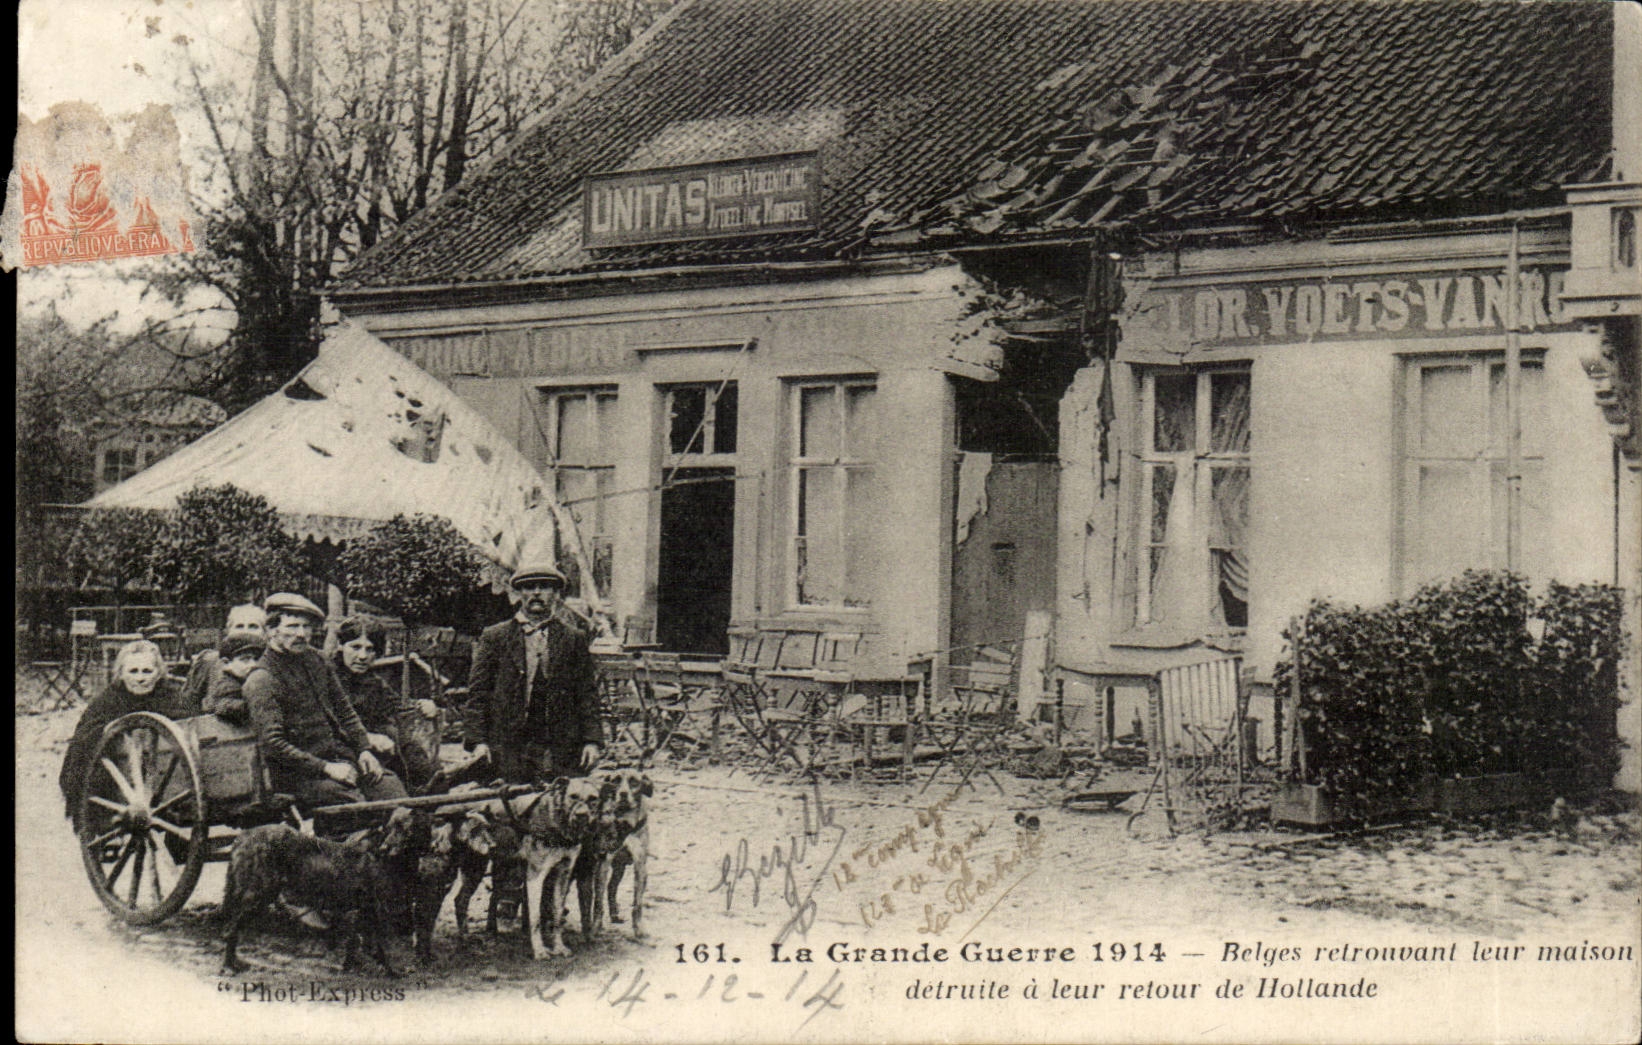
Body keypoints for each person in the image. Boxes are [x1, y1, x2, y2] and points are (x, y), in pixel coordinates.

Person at [242, 593, 407, 809]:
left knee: (393, 792)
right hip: (298, 776)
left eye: (306, 627)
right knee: (356, 805)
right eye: (292, 626)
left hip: (341, 759)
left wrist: (364, 750)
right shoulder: (262, 678)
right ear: (271, 631)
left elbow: (345, 712)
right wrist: (326, 768)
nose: (301, 634)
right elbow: (274, 745)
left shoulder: (317, 661)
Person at [466, 561, 602, 783]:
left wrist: (592, 741)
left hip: (559, 745)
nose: (537, 593)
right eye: (529, 587)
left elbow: (587, 694)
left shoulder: (573, 638)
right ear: (519, 593)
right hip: (509, 744)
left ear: (556, 594)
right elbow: (478, 694)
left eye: (545, 587)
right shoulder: (495, 636)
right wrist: (478, 741)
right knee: (510, 805)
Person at [60, 639, 198, 822]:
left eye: (147, 671)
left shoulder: (173, 698)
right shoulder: (106, 702)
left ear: (158, 674)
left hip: (176, 783)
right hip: (128, 786)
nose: (140, 678)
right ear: (121, 674)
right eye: (133, 671)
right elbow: (84, 741)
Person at [331, 617, 440, 792]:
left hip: (376, 749)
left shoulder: (373, 682)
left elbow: (398, 707)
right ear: (341, 646)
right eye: (355, 647)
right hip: (341, 753)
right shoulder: (327, 678)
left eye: (370, 649)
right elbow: (325, 725)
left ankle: (430, 789)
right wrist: (367, 738)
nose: (363, 656)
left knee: (412, 751)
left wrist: (421, 705)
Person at [181, 604, 267, 709]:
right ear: (229, 632)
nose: (246, 631)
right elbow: (188, 702)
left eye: (253, 626)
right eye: (239, 626)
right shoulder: (209, 660)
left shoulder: (270, 661)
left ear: (264, 633)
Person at [202, 631, 268, 726]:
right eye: (245, 659)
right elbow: (223, 705)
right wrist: (253, 705)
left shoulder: (248, 679)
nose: (253, 664)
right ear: (226, 663)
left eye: (256, 659)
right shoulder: (226, 684)